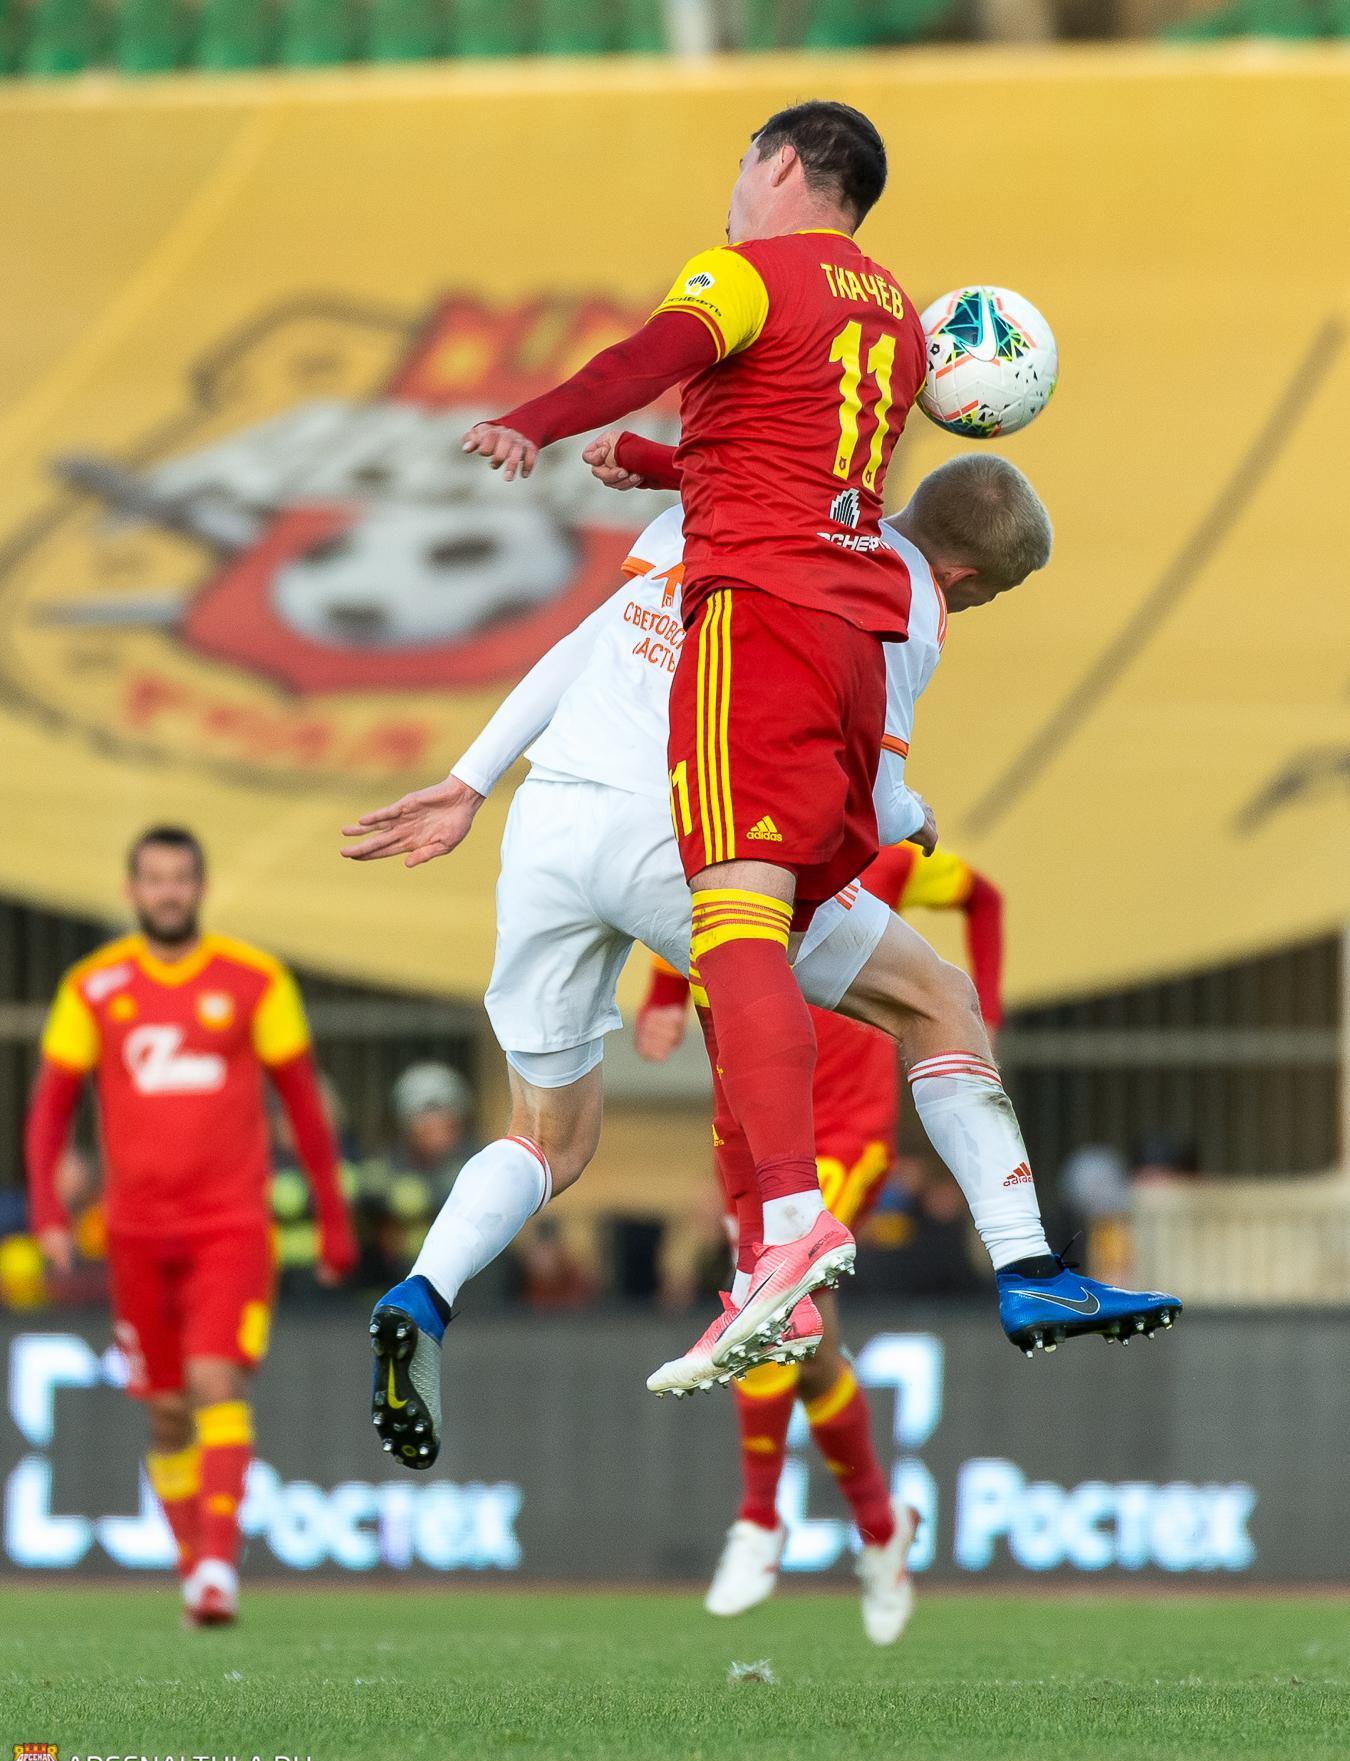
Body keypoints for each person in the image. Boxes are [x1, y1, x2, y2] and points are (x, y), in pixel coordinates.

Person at [343, 458, 1180, 1470]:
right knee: (937, 999)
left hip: (549, 827)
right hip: (684, 827)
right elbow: (870, 791)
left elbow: (584, 643)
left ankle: (424, 1294)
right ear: (966, 578)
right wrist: (914, 817)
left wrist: (469, 781)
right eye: (984, 596)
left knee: (548, 1138)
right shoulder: (897, 587)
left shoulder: (710, 502)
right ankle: (1022, 1263)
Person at [459, 101, 930, 1380]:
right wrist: (662, 465)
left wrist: (538, 421)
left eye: (742, 164)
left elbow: (648, 349)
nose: (732, 190)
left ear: (780, 162)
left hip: (756, 627)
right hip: (850, 644)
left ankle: (788, 1226)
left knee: (734, 924)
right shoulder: (894, 312)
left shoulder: (746, 273)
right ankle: (797, 1255)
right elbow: (810, 475)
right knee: (783, 932)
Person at [632, 841, 1001, 1637]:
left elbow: (985, 898)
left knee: (767, 1308)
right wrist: (663, 995)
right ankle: (881, 1527)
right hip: (753, 1132)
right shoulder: (713, 859)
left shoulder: (883, 856)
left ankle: (760, 1520)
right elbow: (674, 925)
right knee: (811, 1348)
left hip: (843, 1136)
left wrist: (982, 1016)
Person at [24, 826, 356, 1627]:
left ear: (200, 888)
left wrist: (332, 1217)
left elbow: (304, 1106)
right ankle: (190, 1566)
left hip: (229, 1225)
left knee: (215, 1381)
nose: (168, 892)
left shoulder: (254, 980)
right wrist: (48, 1211)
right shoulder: (92, 987)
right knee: (167, 1410)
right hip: (133, 1233)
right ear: (133, 891)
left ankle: (217, 1569)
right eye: (155, 879)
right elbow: (50, 1110)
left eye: (181, 878)